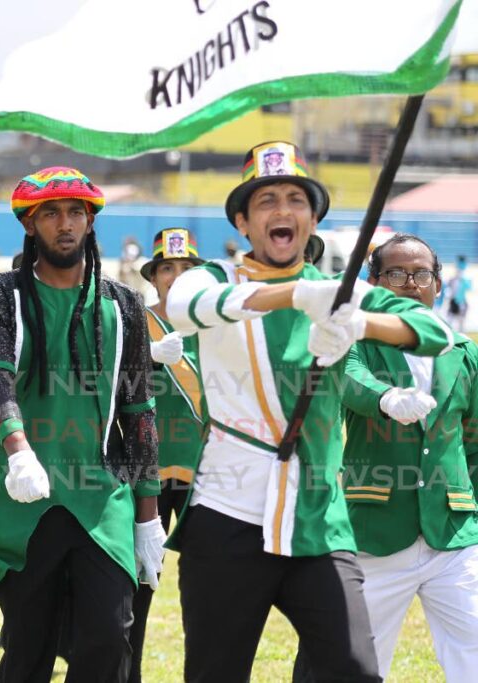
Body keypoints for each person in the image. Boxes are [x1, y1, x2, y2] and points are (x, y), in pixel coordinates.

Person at [164, 141, 458, 682]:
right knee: (214, 673)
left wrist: (359, 324)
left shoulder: (342, 294)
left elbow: (435, 333)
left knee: (354, 671)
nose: (283, 211)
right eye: (267, 200)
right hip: (228, 514)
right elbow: (185, 309)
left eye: (296, 199)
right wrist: (294, 296)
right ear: (243, 222)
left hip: (319, 521)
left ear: (313, 217)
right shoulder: (210, 277)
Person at [0, 166, 163, 681]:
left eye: (76, 212)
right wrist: (17, 449)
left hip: (103, 498)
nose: (65, 223)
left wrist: (148, 515)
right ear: (29, 225)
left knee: (106, 638)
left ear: (91, 221)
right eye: (50, 213)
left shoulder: (124, 305)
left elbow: (139, 411)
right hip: (23, 496)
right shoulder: (2, 293)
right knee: (28, 648)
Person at [294, 234, 478, 681]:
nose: (410, 284)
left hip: (451, 531)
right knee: (355, 660)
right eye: (396, 274)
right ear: (373, 283)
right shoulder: (356, 340)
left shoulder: (463, 351)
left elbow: (473, 443)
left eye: (421, 274)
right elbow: (349, 380)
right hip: (376, 531)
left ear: (437, 283)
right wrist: (386, 398)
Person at [129, 227, 207, 683]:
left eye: (187, 269)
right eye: (167, 269)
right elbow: (106, 385)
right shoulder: (134, 322)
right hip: (147, 473)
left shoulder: (219, 326)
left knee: (203, 591)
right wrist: (146, 355)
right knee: (138, 586)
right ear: (153, 276)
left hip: (205, 474)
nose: (176, 277)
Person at [444, 254, 472, 331]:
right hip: (455, 301)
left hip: (461, 301)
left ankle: (461, 335)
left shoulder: (465, 277)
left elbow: (469, 288)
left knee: (460, 321)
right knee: (450, 319)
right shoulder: (455, 278)